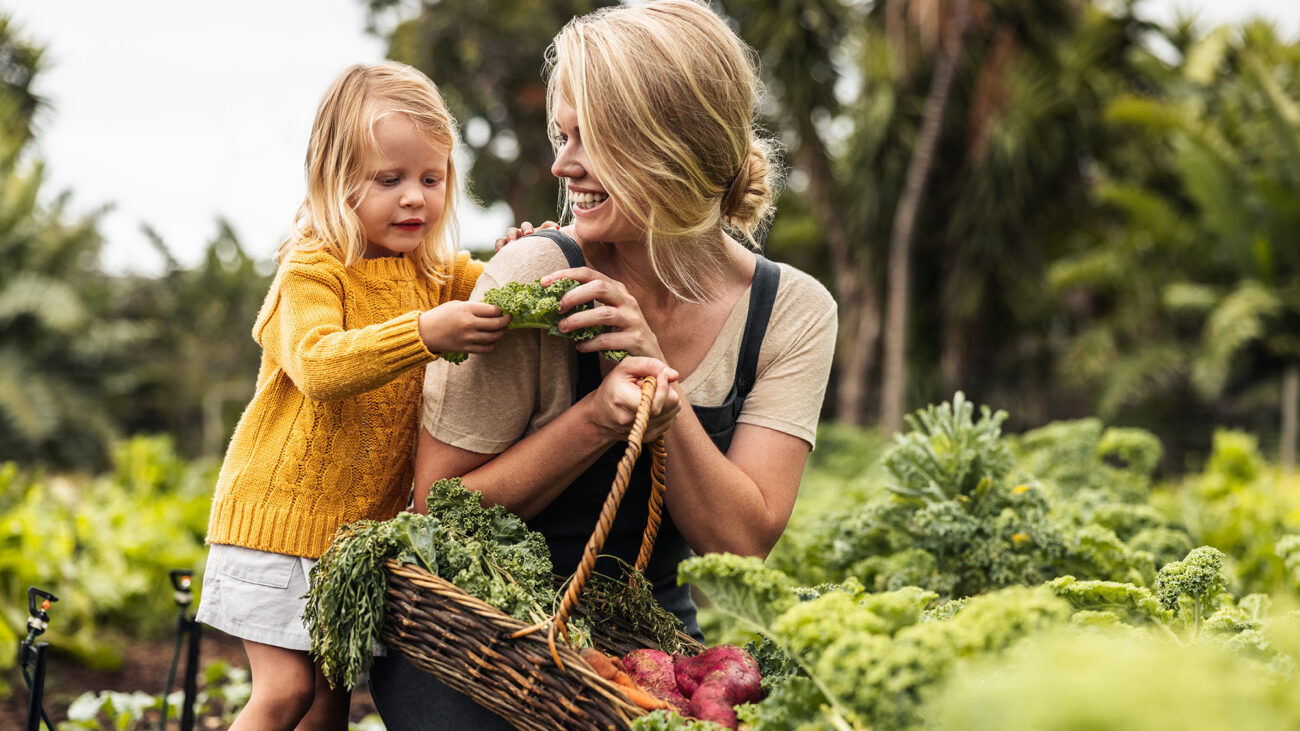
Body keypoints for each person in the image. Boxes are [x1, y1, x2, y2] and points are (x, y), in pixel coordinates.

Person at [369, 1, 837, 727]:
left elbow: (740, 544)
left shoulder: (790, 311)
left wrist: (657, 387)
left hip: (640, 649)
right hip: (476, 644)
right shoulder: (535, 274)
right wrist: (595, 418)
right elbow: (435, 513)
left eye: (591, 140)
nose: (561, 165)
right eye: (563, 135)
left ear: (672, 145)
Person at [195, 62, 510, 731]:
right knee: (285, 692)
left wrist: (522, 254)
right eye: (389, 179)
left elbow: (504, 291)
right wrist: (426, 332)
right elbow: (318, 364)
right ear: (337, 182)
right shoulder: (312, 267)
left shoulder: (437, 272)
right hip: (276, 528)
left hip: (349, 546)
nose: (414, 199)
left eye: (431, 178)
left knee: (330, 702)